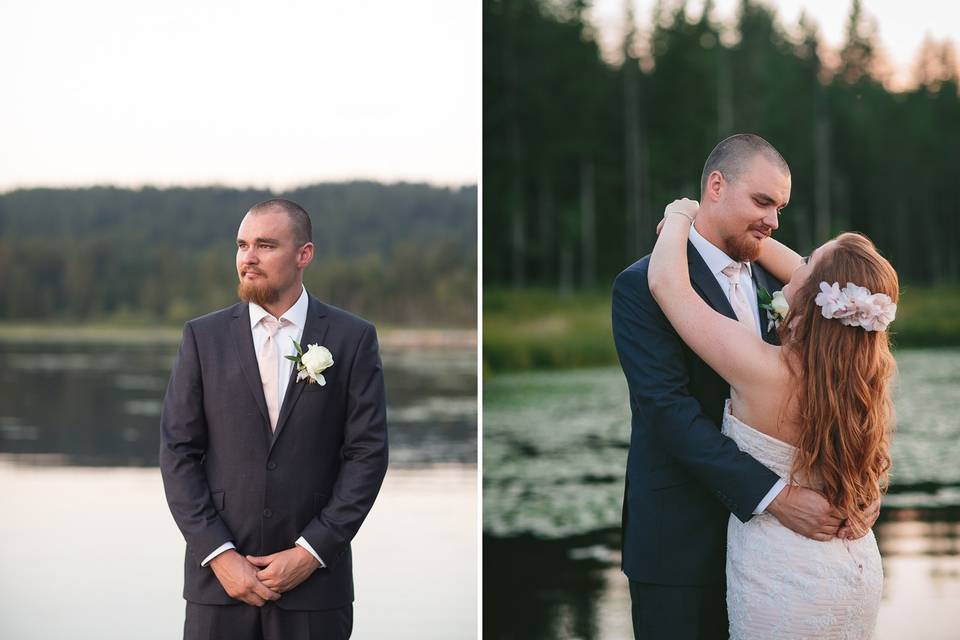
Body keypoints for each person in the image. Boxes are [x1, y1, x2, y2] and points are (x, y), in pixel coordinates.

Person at [611, 134, 882, 639]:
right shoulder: (640, 285)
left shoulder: (793, 290)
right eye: (762, 202)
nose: (774, 220)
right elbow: (667, 412)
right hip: (682, 547)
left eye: (780, 207)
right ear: (717, 185)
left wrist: (680, 216)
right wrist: (774, 496)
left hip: (783, 553)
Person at [160, 198, 388, 640]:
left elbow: (367, 456)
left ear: (304, 254)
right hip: (218, 588)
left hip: (316, 591)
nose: (248, 257)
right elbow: (178, 454)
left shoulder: (353, 338)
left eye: (265, 245)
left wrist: (310, 552)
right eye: (242, 245)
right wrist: (220, 555)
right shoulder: (201, 338)